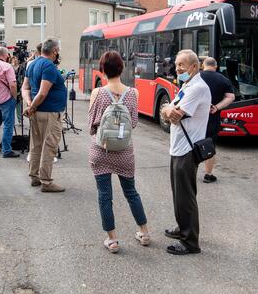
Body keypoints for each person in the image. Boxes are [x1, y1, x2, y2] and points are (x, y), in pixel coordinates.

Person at [88, 51, 150, 253]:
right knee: (131, 192)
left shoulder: (97, 92)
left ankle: (112, 240)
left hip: (101, 151)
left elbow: (91, 124)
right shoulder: (133, 93)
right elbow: (133, 123)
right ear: (122, 68)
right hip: (124, 151)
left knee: (105, 195)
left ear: (103, 70)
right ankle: (144, 232)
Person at [160, 50, 211, 255]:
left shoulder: (197, 88)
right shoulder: (187, 86)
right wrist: (167, 109)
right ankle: (182, 228)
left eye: (182, 64)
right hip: (179, 147)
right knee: (179, 193)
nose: (177, 68)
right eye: (176, 64)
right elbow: (167, 110)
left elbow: (174, 116)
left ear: (194, 67)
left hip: (188, 150)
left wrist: (168, 110)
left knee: (185, 196)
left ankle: (190, 242)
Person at [22, 37, 67, 193]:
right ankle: (46, 182)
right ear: (54, 51)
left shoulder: (33, 64)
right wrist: (32, 106)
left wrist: (29, 104)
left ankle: (34, 176)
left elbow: (25, 88)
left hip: (37, 112)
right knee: (49, 147)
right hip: (49, 112)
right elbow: (42, 93)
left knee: (36, 145)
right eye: (57, 51)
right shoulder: (49, 66)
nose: (58, 54)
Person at [200, 57, 235, 183]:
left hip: (196, 118)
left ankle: (190, 172)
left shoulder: (196, 77)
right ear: (216, 66)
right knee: (209, 145)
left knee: (192, 143)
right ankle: (208, 174)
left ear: (203, 65)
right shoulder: (223, 79)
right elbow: (230, 97)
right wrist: (216, 107)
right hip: (212, 117)